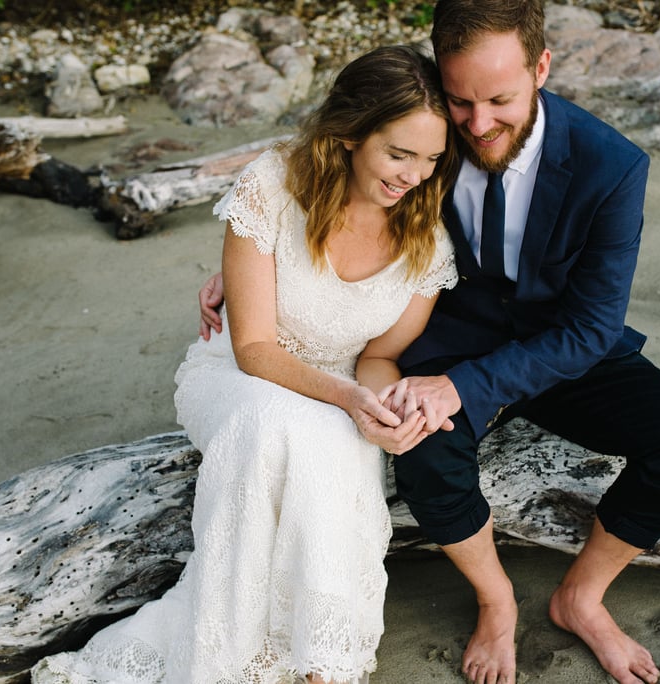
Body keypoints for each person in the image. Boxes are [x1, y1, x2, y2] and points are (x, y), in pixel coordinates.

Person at [199, 2, 660, 683]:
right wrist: (251, 268)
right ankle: (497, 599)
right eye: (461, 101)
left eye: (500, 100)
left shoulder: (612, 165)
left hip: (561, 344)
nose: (479, 126)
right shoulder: (429, 135)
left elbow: (593, 325)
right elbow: (342, 184)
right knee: (426, 453)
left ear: (541, 66)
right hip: (443, 333)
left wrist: (467, 388)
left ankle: (582, 596)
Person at [31, 44, 460, 684]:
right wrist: (345, 400)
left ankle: (320, 659)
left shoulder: (426, 236)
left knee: (331, 443)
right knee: (277, 426)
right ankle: (226, 659)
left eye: (430, 159)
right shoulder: (273, 184)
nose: (414, 176)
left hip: (339, 388)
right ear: (348, 133)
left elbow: (378, 355)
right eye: (399, 154)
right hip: (238, 374)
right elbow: (253, 348)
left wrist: (384, 406)